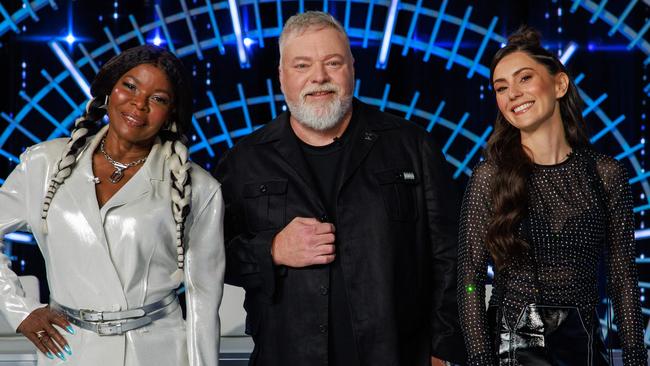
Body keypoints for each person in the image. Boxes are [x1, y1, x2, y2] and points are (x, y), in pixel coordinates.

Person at [215, 11, 465, 366]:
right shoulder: (243, 161)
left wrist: (443, 347)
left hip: (397, 356)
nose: (319, 77)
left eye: (332, 63)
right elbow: (212, 257)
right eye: (302, 66)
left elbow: (453, 254)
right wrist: (271, 250)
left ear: (352, 68)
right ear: (282, 77)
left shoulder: (411, 146)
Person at [0, 45, 225, 365]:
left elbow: (204, 299)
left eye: (158, 98)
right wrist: (20, 310)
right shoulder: (43, 163)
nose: (139, 103)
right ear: (108, 91)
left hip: (156, 353)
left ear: (171, 113)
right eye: (129, 86)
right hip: (68, 350)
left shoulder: (199, 188)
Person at [457, 27, 647, 365]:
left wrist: (635, 358)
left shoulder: (606, 174)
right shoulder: (490, 176)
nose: (512, 94)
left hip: (584, 347)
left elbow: (622, 279)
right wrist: (480, 359)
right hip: (513, 346)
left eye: (524, 78)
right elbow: (469, 280)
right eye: (501, 88)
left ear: (560, 84)